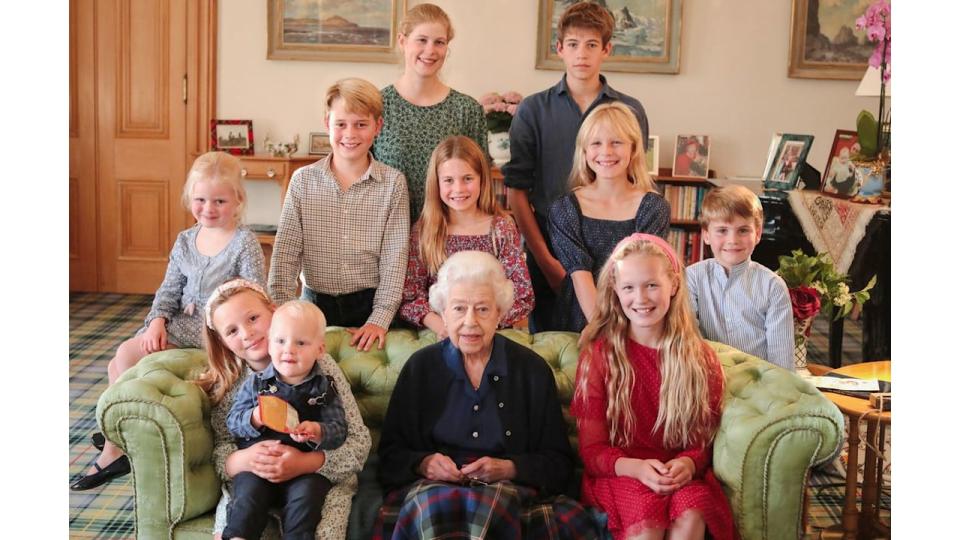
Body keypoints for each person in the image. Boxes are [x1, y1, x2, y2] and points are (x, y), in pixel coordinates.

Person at [71, 152, 266, 491]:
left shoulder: (244, 242)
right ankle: (121, 434)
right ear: (190, 198)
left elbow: (253, 293)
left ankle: (114, 446)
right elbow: (169, 289)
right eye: (200, 199)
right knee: (124, 356)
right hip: (179, 325)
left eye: (219, 200)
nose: (208, 208)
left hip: (217, 333)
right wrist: (157, 321)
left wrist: (230, 328)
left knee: (125, 364)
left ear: (238, 200)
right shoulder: (185, 240)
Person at [376, 251, 598, 539]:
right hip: (433, 490)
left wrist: (510, 468)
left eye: (482, 309)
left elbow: (558, 463)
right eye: (459, 309)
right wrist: (423, 463)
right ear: (443, 312)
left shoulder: (531, 371)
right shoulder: (421, 368)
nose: (470, 322)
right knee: (432, 507)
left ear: (500, 314)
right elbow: (390, 455)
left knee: (495, 505)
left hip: (509, 490)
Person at [572, 233, 735, 540]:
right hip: (620, 474)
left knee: (691, 511)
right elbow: (592, 451)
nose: (641, 298)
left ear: (673, 285)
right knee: (646, 519)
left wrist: (688, 462)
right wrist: (635, 468)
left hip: (677, 475)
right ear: (616, 292)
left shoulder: (699, 358)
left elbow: (703, 440)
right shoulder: (600, 355)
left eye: (652, 285)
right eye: (629, 288)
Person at [503, 0, 650, 332]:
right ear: (559, 49)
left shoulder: (629, 110)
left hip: (615, 248)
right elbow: (516, 191)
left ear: (607, 49)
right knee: (552, 351)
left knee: (616, 342)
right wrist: (546, 262)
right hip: (549, 250)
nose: (582, 54)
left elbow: (636, 181)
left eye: (592, 45)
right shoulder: (533, 110)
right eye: (573, 44)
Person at [197, 278, 372, 539]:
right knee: (237, 516)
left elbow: (356, 441)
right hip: (253, 476)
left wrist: (306, 461)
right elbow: (223, 449)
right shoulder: (235, 382)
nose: (246, 333)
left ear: (273, 311)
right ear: (222, 341)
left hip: (315, 473)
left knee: (318, 525)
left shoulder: (319, 367)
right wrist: (244, 459)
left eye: (253, 318)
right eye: (232, 331)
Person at [269, 77, 409, 352]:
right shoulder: (302, 181)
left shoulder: (393, 184)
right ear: (327, 124)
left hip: (368, 306)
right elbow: (285, 254)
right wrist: (283, 315)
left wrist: (379, 319)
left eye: (361, 124)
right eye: (341, 124)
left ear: (377, 127)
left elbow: (395, 259)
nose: (350, 134)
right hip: (313, 305)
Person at [222, 300, 347, 540]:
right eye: (280, 341)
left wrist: (317, 430)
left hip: (303, 469)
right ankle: (239, 535)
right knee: (247, 496)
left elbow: (339, 430)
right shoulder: (257, 383)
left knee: (308, 497)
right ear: (270, 344)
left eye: (300, 343)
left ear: (320, 349)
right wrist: (254, 418)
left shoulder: (324, 387)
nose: (288, 350)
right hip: (259, 467)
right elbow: (233, 422)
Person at [549, 102, 669, 333]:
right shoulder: (565, 208)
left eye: (616, 142)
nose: (606, 152)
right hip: (581, 317)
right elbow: (579, 274)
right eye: (596, 143)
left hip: (638, 315)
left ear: (633, 149)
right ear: (584, 152)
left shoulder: (653, 207)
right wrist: (602, 331)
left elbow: (643, 273)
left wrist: (625, 332)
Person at [399, 135, 534, 336]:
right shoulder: (425, 231)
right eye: (448, 180)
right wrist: (443, 327)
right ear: (437, 183)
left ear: (482, 179)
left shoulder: (501, 229)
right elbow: (410, 297)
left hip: (490, 334)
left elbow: (523, 296)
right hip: (439, 333)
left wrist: (481, 324)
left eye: (468, 178)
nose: (458, 189)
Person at [372, 2, 487, 222]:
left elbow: (481, 185)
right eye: (422, 40)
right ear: (402, 41)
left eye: (439, 42)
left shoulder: (468, 110)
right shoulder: (377, 106)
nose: (430, 50)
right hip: (388, 237)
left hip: (450, 238)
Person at [685, 185, 794, 370]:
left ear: (758, 234)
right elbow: (687, 340)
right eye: (722, 230)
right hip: (708, 378)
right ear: (706, 235)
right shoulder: (692, 278)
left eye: (743, 230)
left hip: (759, 383)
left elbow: (782, 360)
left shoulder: (773, 287)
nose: (733, 240)